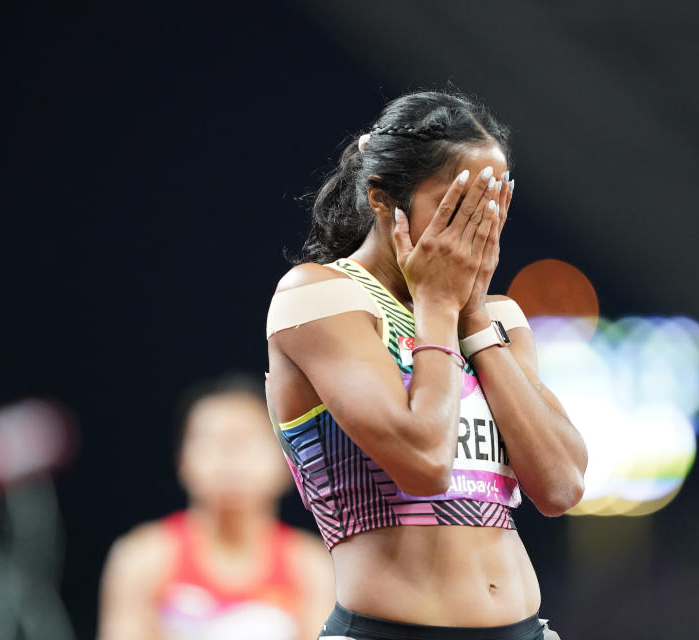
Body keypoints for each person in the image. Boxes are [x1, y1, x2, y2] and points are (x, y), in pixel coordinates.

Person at [265, 90, 587, 639]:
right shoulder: (321, 298)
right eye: (457, 208)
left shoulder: (499, 317)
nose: (476, 230)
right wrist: (437, 307)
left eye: (491, 207)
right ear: (382, 201)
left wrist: (475, 316)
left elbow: (561, 486)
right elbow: (424, 463)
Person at [98, 375, 335, 640]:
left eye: (246, 442)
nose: (229, 460)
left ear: (288, 463)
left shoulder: (313, 569)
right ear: (181, 460)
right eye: (211, 441)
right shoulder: (141, 558)